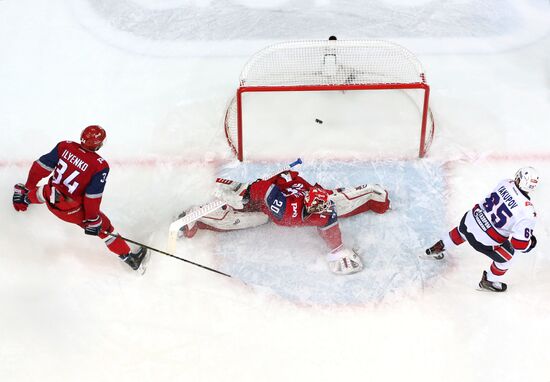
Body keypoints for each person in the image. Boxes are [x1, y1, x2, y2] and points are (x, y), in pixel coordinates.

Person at [179, 170, 391, 275]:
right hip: (257, 204)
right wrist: (246, 197)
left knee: (339, 201)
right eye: (319, 208)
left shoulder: (319, 203)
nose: (324, 211)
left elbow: (290, 177)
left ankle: (373, 196)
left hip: (268, 195)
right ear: (308, 207)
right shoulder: (286, 210)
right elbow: (266, 188)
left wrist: (337, 249)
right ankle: (194, 218)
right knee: (242, 218)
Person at [12, 125, 149, 272]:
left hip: (50, 196)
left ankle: (23, 199)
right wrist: (92, 219)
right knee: (105, 228)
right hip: (71, 210)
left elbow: (41, 166)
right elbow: (92, 196)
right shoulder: (100, 165)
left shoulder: (65, 146)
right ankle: (131, 259)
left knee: (46, 191)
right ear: (98, 144)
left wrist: (28, 185)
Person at [425, 167, 539, 292]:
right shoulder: (528, 212)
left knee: (464, 229)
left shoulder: (505, 183)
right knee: (509, 257)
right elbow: (519, 245)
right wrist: (530, 244)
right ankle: (488, 281)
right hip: (484, 242)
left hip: (468, 221)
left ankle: (438, 247)